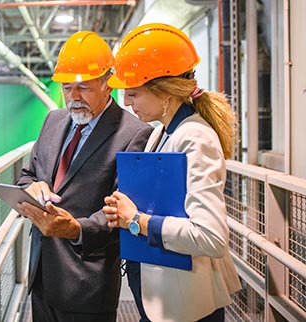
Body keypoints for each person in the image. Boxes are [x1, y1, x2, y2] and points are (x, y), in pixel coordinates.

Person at [102, 23, 242, 322]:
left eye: (134, 93)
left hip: (185, 308)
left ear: (164, 92)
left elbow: (210, 237)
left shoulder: (195, 137)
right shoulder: (161, 133)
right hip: (161, 298)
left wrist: (136, 220)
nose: (126, 101)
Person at [16, 30, 153, 322]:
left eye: (84, 88)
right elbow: (27, 175)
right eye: (67, 88)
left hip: (86, 284)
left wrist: (76, 229)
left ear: (108, 85)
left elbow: (125, 212)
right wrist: (33, 188)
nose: (73, 97)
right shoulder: (54, 120)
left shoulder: (134, 134)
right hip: (42, 274)